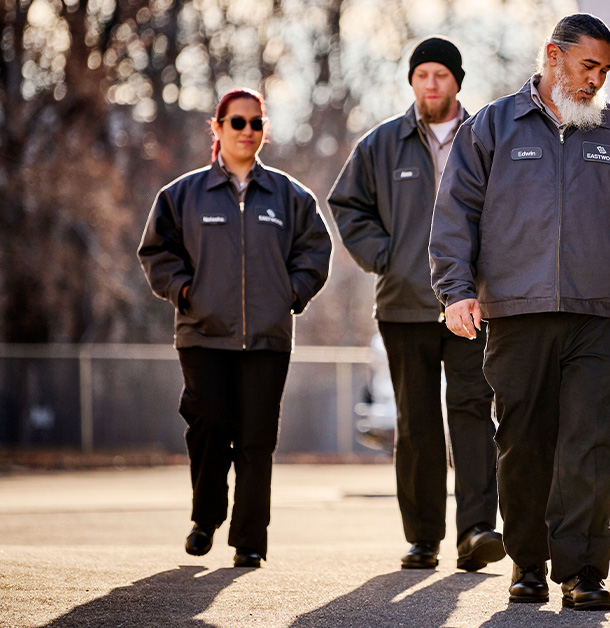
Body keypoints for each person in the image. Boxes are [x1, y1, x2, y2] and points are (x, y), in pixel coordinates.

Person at [429, 13, 610, 611]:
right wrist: (456, 291)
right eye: (588, 66)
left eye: (605, 70)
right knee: (524, 445)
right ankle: (529, 563)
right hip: (517, 313)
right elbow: (455, 214)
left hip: (599, 315)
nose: (596, 80)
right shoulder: (492, 126)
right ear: (553, 56)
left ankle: (583, 571)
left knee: (590, 444)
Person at [327, 36, 503, 572]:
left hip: (472, 304)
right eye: (422, 74)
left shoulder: (486, 138)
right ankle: (423, 538)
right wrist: (388, 258)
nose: (431, 84)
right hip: (404, 305)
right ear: (411, 81)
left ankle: (476, 531)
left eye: (441, 75)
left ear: (457, 82)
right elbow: (347, 205)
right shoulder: (381, 144)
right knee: (417, 423)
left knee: (473, 415)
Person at [138, 88, 333, 568]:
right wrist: (185, 291)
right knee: (209, 423)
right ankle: (205, 518)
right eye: (238, 122)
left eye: (256, 123)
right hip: (202, 334)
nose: (248, 131)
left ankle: (249, 540)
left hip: (267, 338)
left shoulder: (290, 196)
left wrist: (290, 295)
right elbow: (157, 252)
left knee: (256, 438)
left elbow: (316, 251)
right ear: (218, 127)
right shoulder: (181, 195)